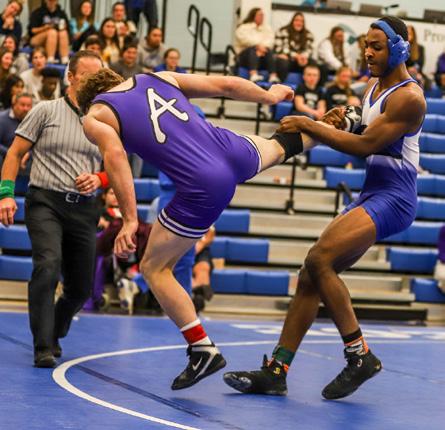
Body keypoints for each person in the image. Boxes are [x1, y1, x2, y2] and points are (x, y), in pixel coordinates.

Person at [76, 67, 337, 389]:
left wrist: (130, 220)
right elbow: (224, 84)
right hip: (231, 149)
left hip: (203, 183)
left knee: (154, 268)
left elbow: (116, 156)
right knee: (281, 146)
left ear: (88, 101)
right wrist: (268, 96)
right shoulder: (156, 77)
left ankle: (202, 349)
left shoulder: (95, 115)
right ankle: (337, 126)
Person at [223, 16, 426, 400]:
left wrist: (312, 124)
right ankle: (276, 371)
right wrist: (344, 117)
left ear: (399, 49)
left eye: (377, 46)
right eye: (365, 45)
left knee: (319, 260)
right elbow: (365, 128)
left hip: (395, 196)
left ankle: (360, 355)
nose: (367, 52)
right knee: (310, 274)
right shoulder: (374, 86)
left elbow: (366, 146)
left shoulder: (409, 97)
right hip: (374, 191)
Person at [0, 50, 108, 368]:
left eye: (100, 76)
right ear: (70, 77)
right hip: (45, 202)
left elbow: (115, 166)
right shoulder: (45, 111)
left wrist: (99, 178)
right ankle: (43, 345)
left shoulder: (105, 119)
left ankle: (56, 329)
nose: (95, 82)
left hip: (84, 208)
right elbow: (14, 153)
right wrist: (6, 194)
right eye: (88, 75)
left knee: (81, 287)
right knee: (47, 265)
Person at [234, 7, 279, 83]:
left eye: (263, 15)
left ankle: (273, 76)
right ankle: (253, 74)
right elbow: (244, 40)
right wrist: (258, 46)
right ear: (253, 15)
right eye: (260, 15)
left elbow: (271, 40)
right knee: (252, 49)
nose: (262, 17)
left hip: (262, 55)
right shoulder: (243, 27)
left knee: (269, 50)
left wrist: (262, 47)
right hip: (244, 57)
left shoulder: (267, 28)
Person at [274, 12, 314, 82]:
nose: (299, 23)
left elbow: (309, 50)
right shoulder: (283, 31)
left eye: (301, 21)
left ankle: (310, 87)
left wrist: (303, 57)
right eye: (297, 20)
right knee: (283, 62)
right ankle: (280, 83)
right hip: (288, 60)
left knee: (313, 64)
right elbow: (279, 49)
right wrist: (296, 56)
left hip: (301, 61)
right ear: (292, 21)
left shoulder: (308, 34)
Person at [28, 0, 71, 64]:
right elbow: (32, 30)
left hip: (57, 39)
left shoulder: (61, 13)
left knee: (63, 32)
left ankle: (65, 59)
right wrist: (45, 28)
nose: (52, 2)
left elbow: (68, 30)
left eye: (53, 0)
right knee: (52, 32)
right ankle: (50, 59)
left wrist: (64, 27)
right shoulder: (38, 12)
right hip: (37, 39)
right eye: (50, 0)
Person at [0, 93, 32, 168]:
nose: (26, 109)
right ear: (14, 105)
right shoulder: (2, 119)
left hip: (27, 159)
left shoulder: (33, 120)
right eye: (22, 105)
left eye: (28, 106)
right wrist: (13, 154)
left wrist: (29, 154)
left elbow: (38, 144)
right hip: (5, 157)